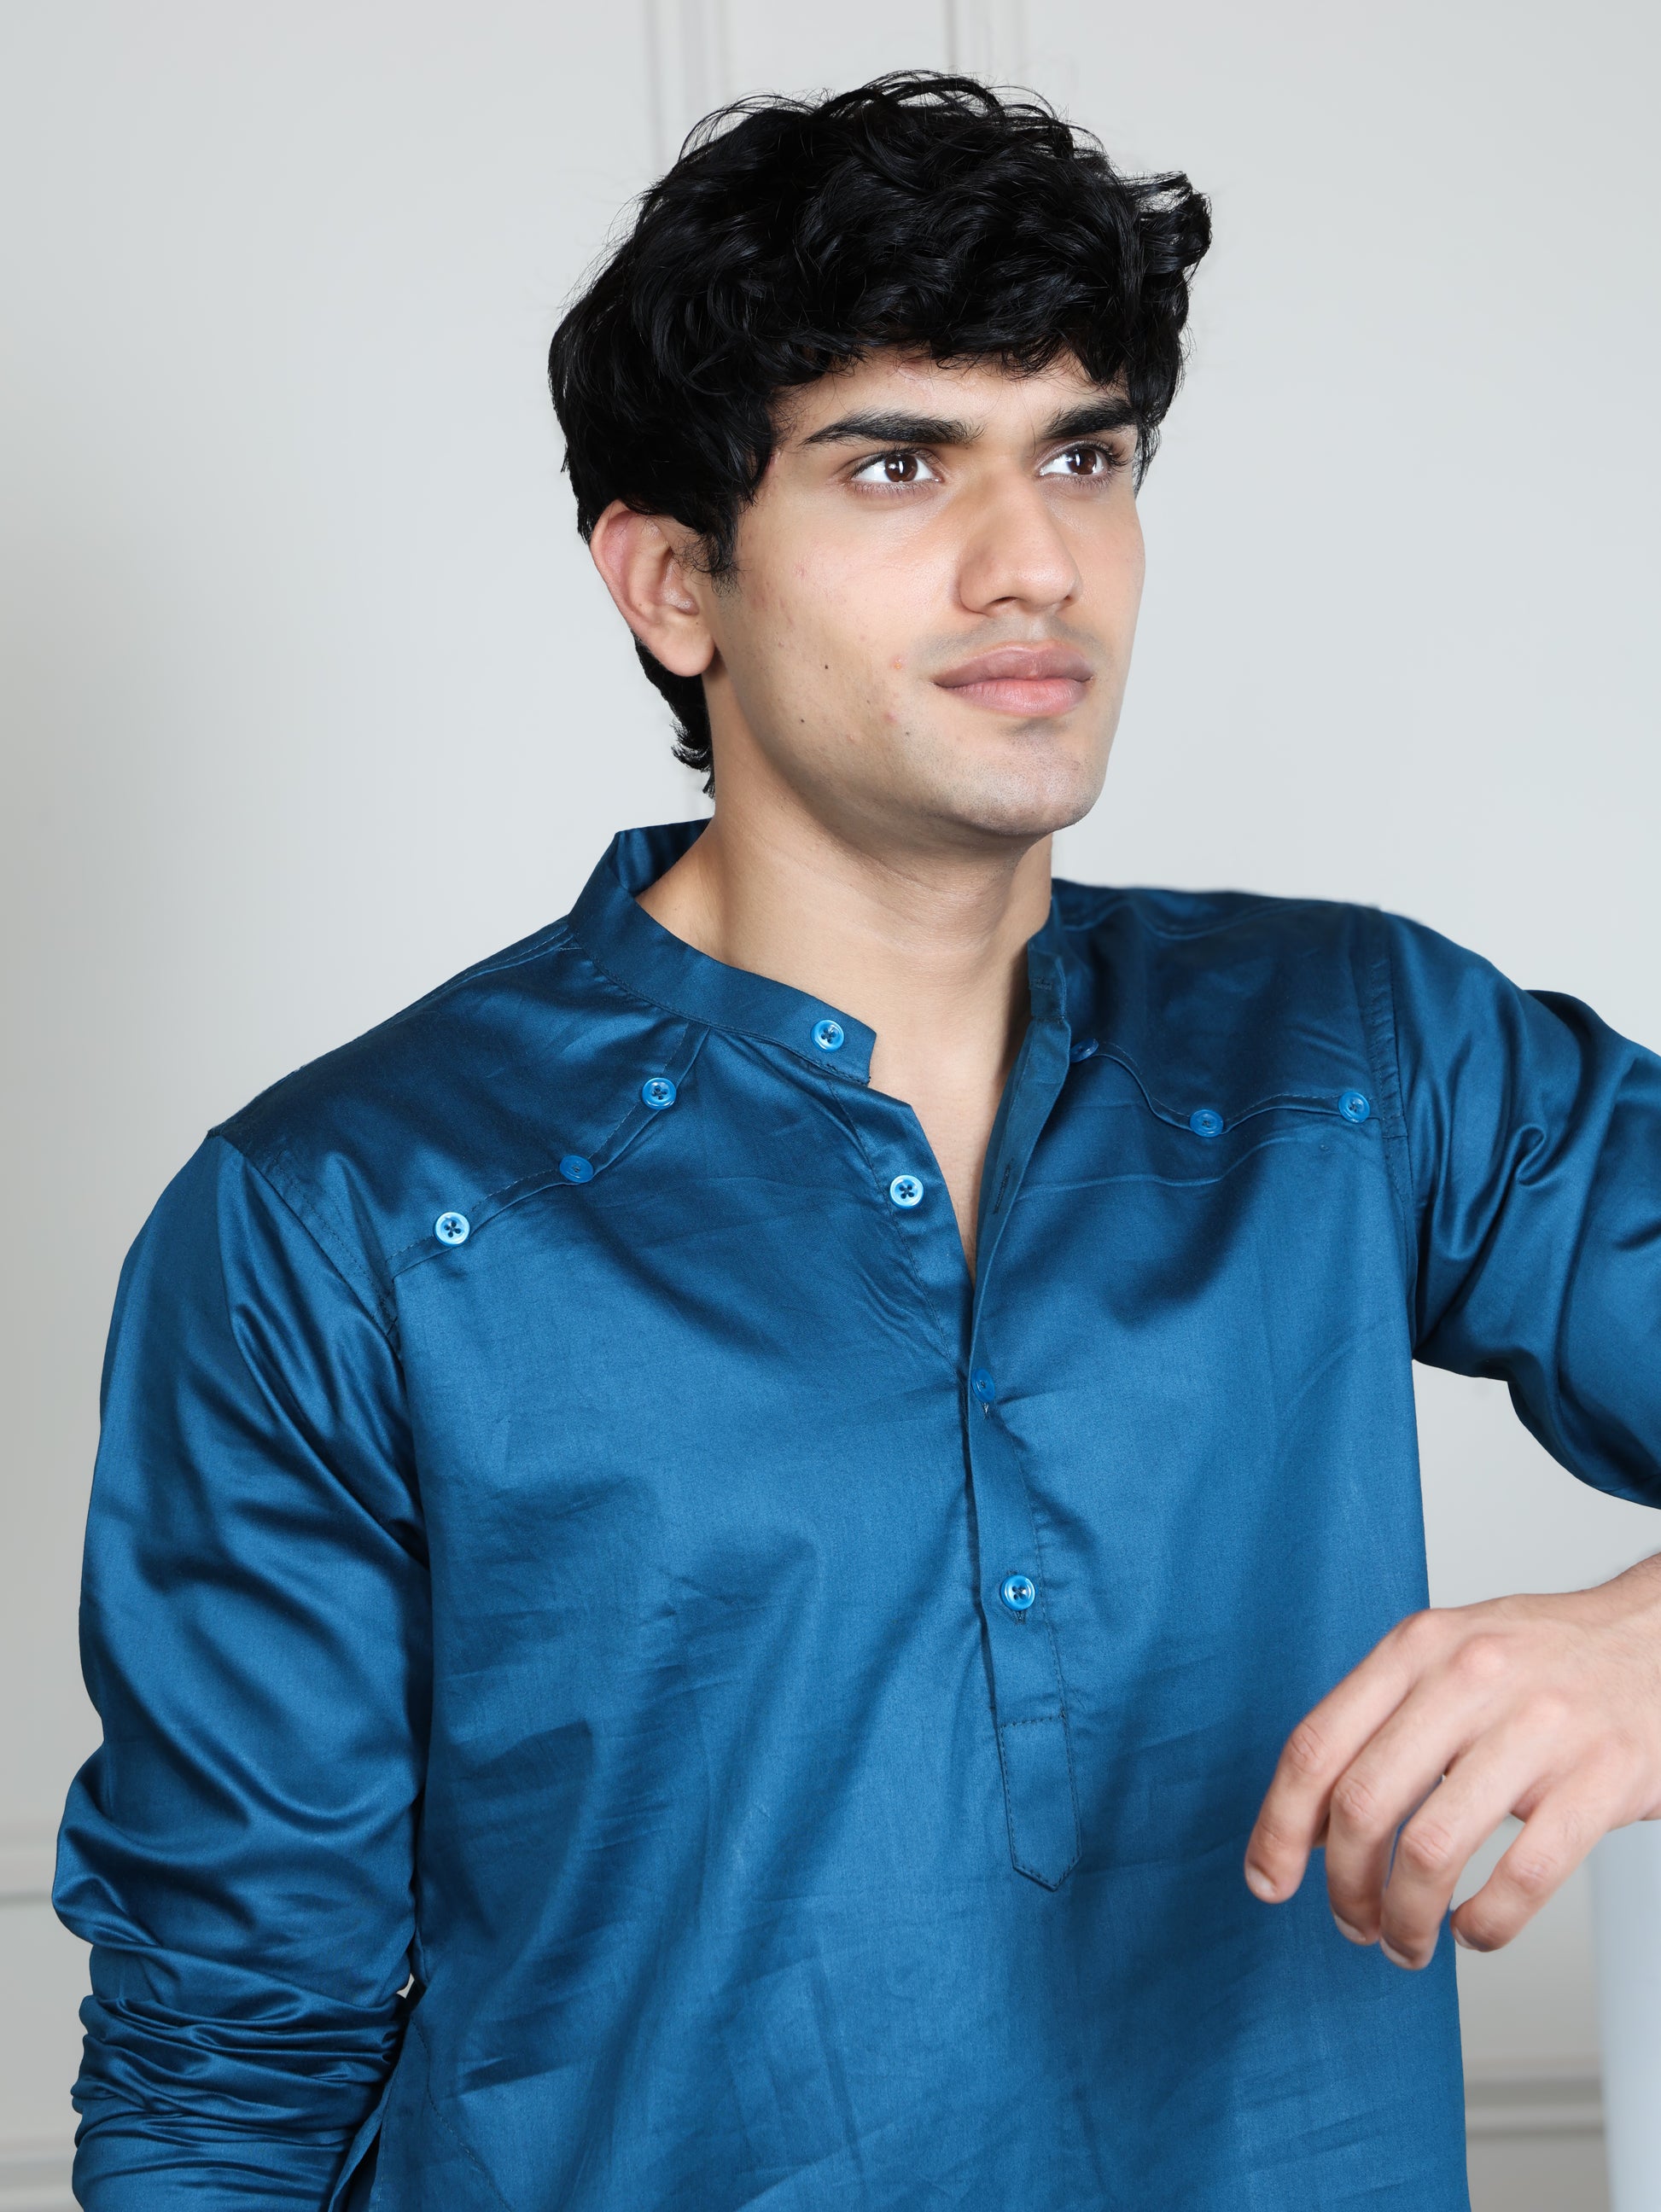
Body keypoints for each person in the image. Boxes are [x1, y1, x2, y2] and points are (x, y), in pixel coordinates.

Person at [54, 72, 1661, 2211]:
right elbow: (223, 2082)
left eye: (1082, 455)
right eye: (898, 464)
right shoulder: (340, 1222)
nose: (1035, 563)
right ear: (673, 583)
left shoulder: (1360, 1054)